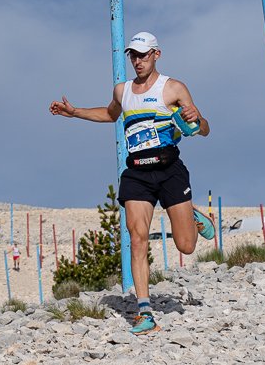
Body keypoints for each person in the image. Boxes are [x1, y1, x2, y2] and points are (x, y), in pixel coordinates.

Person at [49, 31, 215, 335]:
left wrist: (197, 119)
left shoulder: (174, 88)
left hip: (169, 169)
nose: (137, 61)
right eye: (133, 56)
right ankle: (144, 312)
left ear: (156, 54)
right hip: (137, 172)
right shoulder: (122, 91)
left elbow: (202, 129)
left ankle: (190, 213)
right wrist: (74, 113)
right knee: (137, 239)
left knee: (187, 246)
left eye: (143, 55)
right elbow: (110, 114)